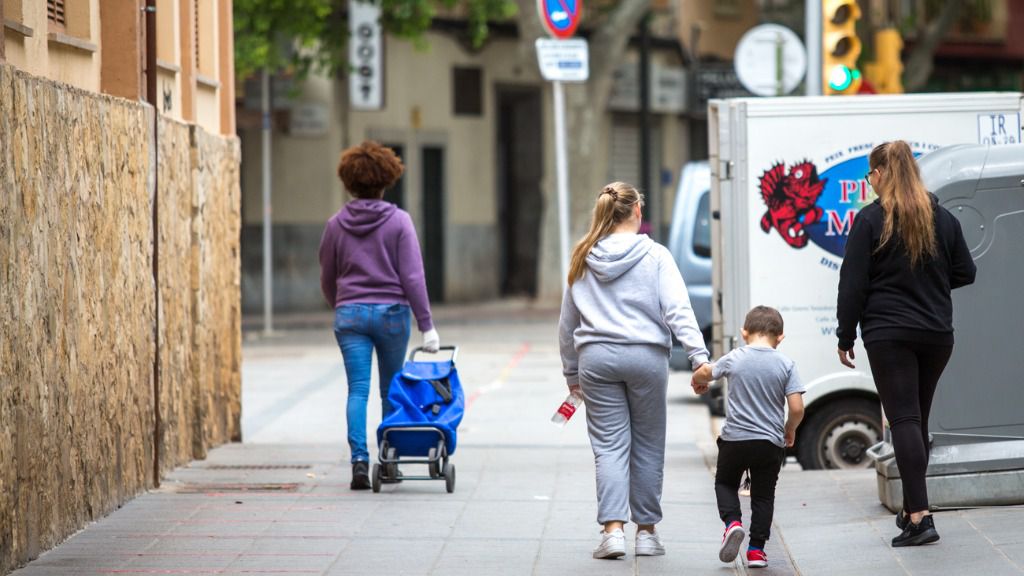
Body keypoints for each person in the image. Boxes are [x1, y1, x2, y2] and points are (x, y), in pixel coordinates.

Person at [558, 181, 710, 560]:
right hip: (646, 358)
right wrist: (698, 357)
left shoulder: (582, 256)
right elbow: (677, 309)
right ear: (638, 211)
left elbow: (567, 324)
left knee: (609, 446)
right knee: (648, 443)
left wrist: (571, 374)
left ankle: (612, 533)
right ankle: (646, 533)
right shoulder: (655, 255)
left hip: (596, 359)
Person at [836, 140, 976, 547]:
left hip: (889, 334)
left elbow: (853, 284)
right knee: (915, 421)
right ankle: (913, 507)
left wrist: (845, 335)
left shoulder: (870, 220)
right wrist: (930, 284)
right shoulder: (942, 218)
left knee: (904, 421)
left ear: (880, 174)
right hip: (936, 334)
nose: (870, 182)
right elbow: (966, 271)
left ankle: (920, 517)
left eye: (870, 175)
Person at [319, 141, 440, 490]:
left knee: (357, 390)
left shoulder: (335, 225)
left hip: (350, 315)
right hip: (392, 315)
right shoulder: (399, 222)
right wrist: (427, 326)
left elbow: (327, 276)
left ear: (348, 183)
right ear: (387, 180)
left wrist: (342, 306)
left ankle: (359, 461)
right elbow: (413, 277)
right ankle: (389, 461)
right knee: (391, 390)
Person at [692, 306, 804, 569]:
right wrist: (790, 428)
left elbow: (706, 373)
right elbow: (797, 408)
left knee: (725, 483)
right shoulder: (787, 364)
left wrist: (698, 380)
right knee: (763, 496)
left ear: (744, 333)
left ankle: (732, 522)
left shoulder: (734, 357)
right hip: (769, 443)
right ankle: (756, 551)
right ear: (780, 337)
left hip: (735, 441)